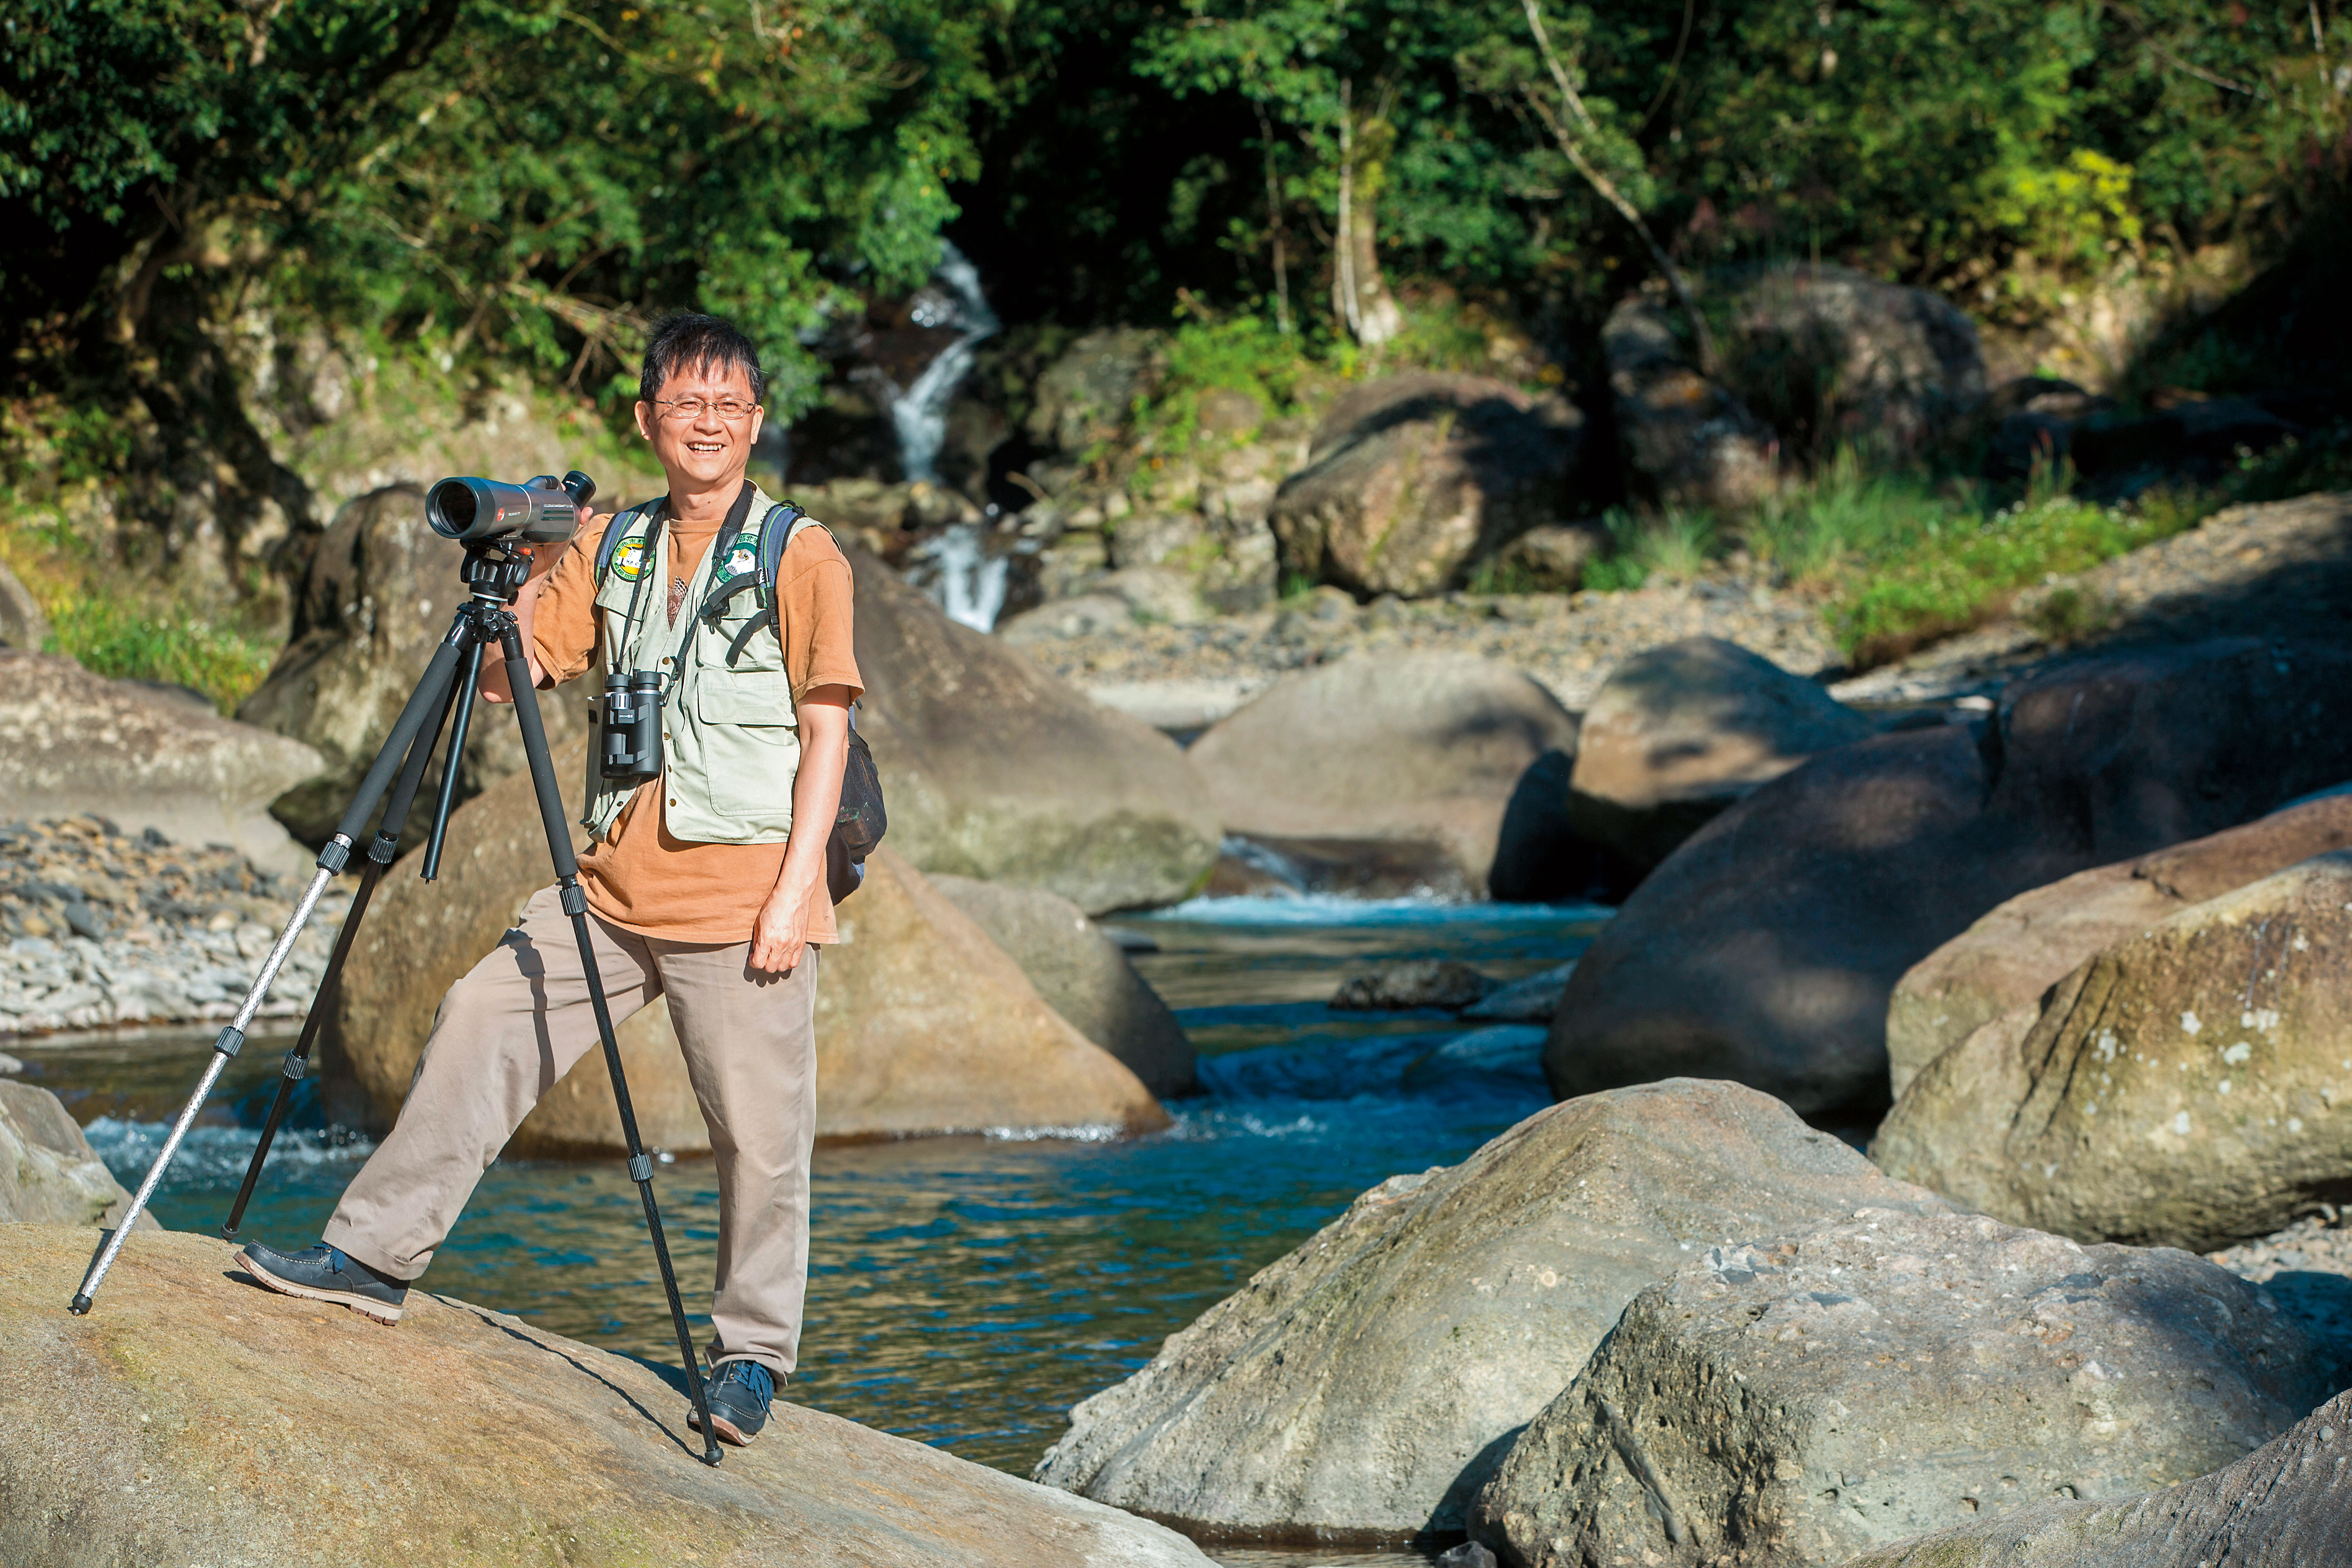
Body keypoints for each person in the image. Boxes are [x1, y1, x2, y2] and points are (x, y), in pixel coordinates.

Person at [235, 313, 861, 1448]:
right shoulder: (615, 545)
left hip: (742, 905)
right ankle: (373, 1255)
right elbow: (516, 674)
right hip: (609, 896)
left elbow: (827, 732)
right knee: (480, 1017)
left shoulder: (798, 554)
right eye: (686, 405)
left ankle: (752, 1359)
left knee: (760, 1142)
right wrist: (506, 598)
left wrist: (793, 896)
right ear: (648, 420)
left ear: (756, 422)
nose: (707, 425)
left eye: (728, 407)